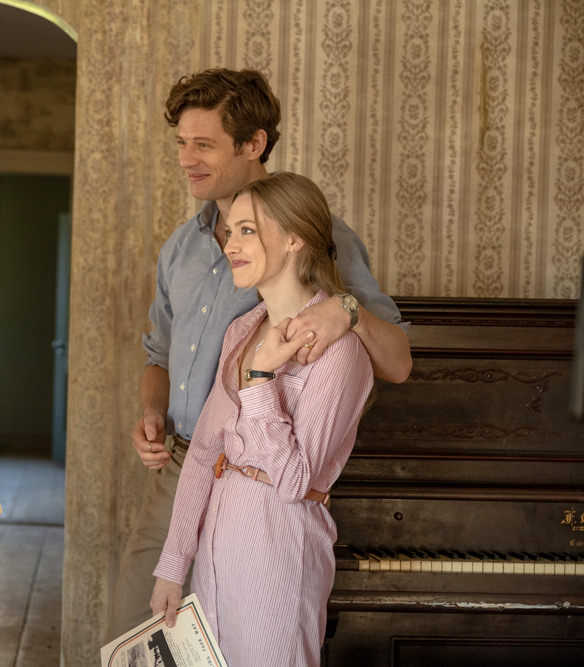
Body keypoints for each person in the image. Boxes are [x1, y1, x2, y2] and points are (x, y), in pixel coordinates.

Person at [105, 68, 411, 640]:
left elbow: (395, 361)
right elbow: (159, 354)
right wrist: (153, 411)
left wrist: (346, 309)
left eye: (203, 144)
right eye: (180, 143)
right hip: (183, 464)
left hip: (266, 486)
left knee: (243, 638)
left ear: (254, 144)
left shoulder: (320, 235)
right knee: (135, 635)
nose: (185, 159)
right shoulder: (180, 248)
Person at [149, 172, 374, 665]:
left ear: (295, 237)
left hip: (280, 549)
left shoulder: (341, 353)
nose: (231, 243)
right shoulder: (242, 329)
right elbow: (205, 451)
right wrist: (173, 565)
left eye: (248, 230)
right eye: (230, 231)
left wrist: (259, 381)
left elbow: (295, 480)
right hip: (215, 549)